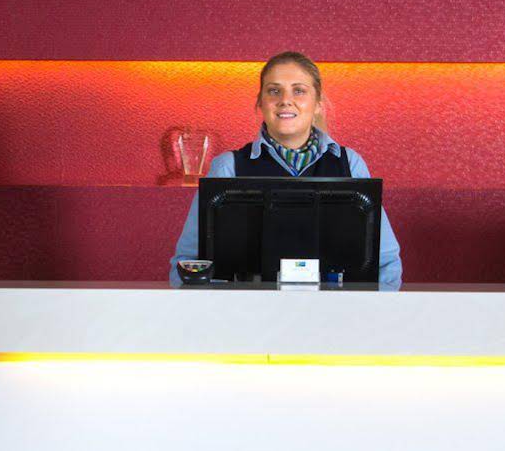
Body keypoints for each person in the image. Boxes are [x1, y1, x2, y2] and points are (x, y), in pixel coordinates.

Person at [170, 51, 403, 288]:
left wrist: (369, 309)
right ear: (260, 102)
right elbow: (188, 262)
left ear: (318, 104)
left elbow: (386, 264)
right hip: (248, 310)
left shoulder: (350, 164)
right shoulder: (228, 167)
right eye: (274, 90)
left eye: (299, 90)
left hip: (335, 310)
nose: (285, 100)